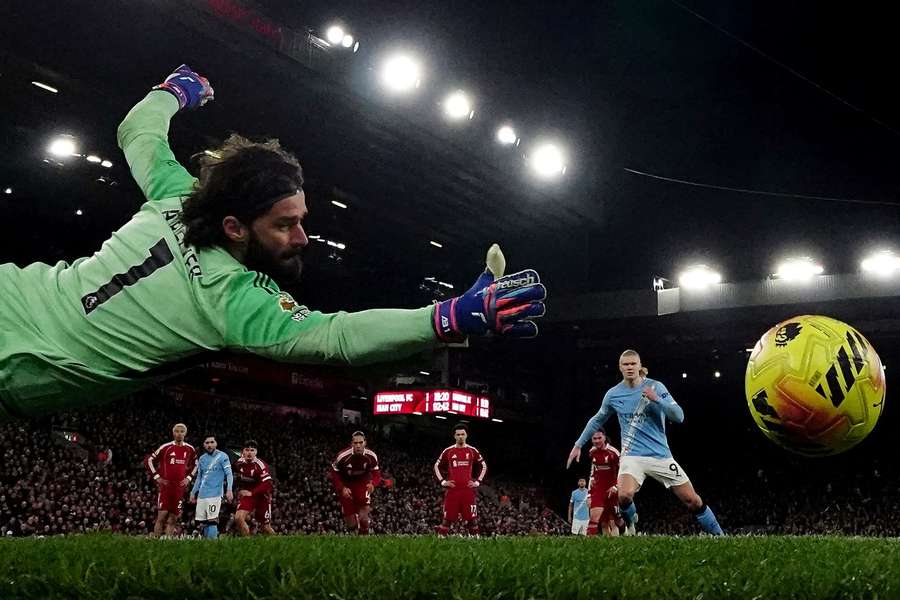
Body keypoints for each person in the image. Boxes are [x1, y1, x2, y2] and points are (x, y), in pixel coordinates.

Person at [0, 64, 547, 420]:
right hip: (23, 367)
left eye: (301, 217)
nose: (303, 236)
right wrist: (443, 317)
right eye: (284, 224)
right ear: (235, 227)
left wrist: (172, 92)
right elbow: (337, 336)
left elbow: (137, 131)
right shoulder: (230, 301)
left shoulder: (177, 195)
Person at [567, 350, 724, 536]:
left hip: (661, 456)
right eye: (626, 364)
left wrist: (656, 400)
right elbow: (597, 420)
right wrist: (578, 444)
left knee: (693, 501)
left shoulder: (656, 387)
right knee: (624, 495)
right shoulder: (613, 394)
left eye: (633, 364)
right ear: (620, 367)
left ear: (640, 365)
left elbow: (679, 416)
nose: (630, 367)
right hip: (632, 455)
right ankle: (631, 521)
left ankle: (721, 536)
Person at [144, 423, 197, 538]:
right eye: (177, 431)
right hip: (166, 488)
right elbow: (149, 460)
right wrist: (157, 476)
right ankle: (156, 541)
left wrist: (188, 478)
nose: (179, 433)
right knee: (161, 516)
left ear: (185, 434)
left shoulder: (189, 449)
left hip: (179, 489)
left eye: (182, 431)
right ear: (173, 433)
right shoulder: (166, 447)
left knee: (173, 518)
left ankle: (167, 543)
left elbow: (196, 464)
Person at [434, 423, 486, 537]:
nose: (460, 437)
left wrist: (478, 481)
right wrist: (443, 481)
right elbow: (436, 466)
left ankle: (476, 542)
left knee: (472, 519)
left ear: (467, 435)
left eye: (463, 434)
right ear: (454, 436)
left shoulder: (472, 451)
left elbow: (484, 465)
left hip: (467, 490)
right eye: (458, 434)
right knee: (447, 519)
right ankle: (439, 541)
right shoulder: (448, 451)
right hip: (453, 491)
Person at [329, 431, 381, 535]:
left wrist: (373, 484)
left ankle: (364, 537)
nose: (358, 445)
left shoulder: (371, 456)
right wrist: (342, 487)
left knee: (364, 515)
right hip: (346, 484)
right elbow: (334, 473)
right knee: (350, 523)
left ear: (365, 443)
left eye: (360, 442)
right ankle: (353, 533)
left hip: (362, 483)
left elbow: (377, 475)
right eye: (356, 443)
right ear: (351, 444)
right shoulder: (342, 456)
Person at [189, 434, 233, 539]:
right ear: (204, 445)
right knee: (203, 522)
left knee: (212, 520)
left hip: (215, 494)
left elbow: (229, 474)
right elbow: (199, 478)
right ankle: (206, 544)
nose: (209, 445)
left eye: (212, 442)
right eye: (207, 443)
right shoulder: (202, 459)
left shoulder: (223, 456)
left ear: (216, 443)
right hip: (202, 494)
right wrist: (192, 492)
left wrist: (229, 489)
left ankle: (212, 543)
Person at [233, 440, 275, 536]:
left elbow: (268, 484)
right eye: (247, 450)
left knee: (265, 527)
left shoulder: (260, 465)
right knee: (238, 518)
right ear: (242, 452)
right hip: (248, 496)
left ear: (256, 452)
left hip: (262, 497)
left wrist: (252, 492)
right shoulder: (238, 463)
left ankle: (279, 545)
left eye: (252, 450)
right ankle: (247, 544)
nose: (249, 453)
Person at [587, 429, 624, 536]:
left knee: (615, 520)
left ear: (604, 437)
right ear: (591, 439)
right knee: (597, 519)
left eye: (599, 438)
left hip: (612, 490)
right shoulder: (592, 452)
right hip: (598, 489)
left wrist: (616, 487)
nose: (597, 441)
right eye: (594, 438)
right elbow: (592, 472)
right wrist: (589, 494)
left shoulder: (614, 453)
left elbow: (623, 472)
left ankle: (626, 533)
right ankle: (589, 548)